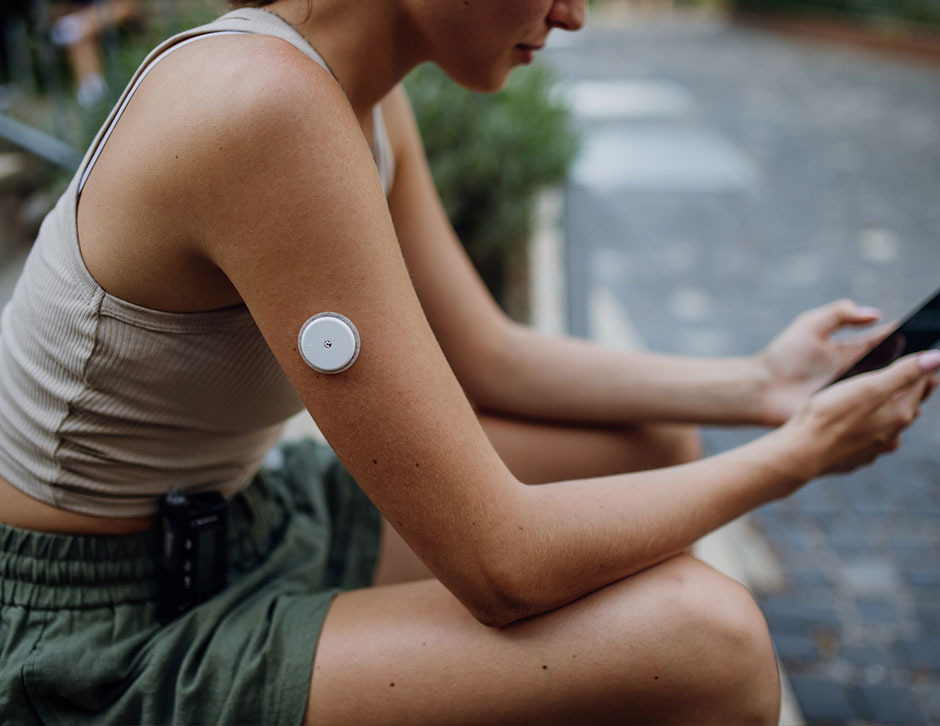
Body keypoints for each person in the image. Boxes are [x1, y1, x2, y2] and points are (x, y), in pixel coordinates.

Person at [0, 1, 937, 723]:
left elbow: (484, 354)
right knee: (710, 641)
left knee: (647, 442)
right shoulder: (263, 106)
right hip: (98, 634)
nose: (574, 13)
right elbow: (504, 563)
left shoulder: (349, 93)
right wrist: (798, 457)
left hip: (243, 526)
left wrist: (759, 388)